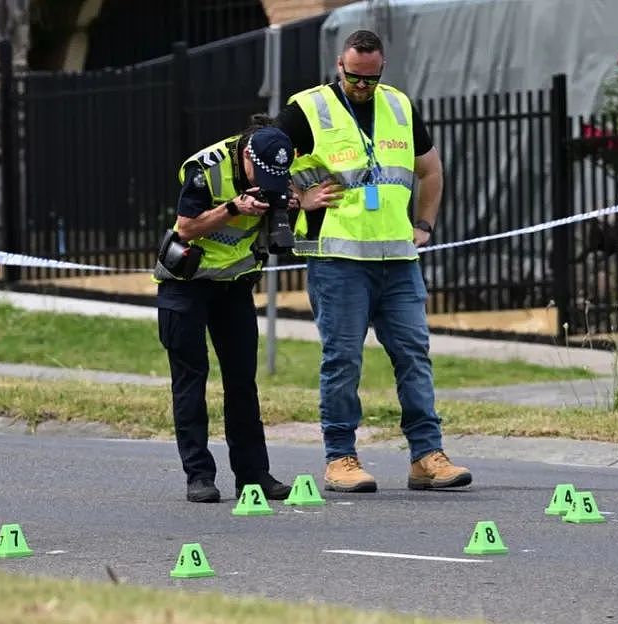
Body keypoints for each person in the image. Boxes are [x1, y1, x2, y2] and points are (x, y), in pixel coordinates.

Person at [275, 29, 472, 494]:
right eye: (353, 77)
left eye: (370, 78)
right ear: (339, 67)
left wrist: (424, 226)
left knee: (414, 355)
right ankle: (340, 457)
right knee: (343, 360)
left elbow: (430, 169)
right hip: (339, 259)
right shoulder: (307, 108)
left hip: (398, 259)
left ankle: (427, 456)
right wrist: (299, 199)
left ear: (381, 69)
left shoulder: (399, 106)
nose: (361, 86)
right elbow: (262, 160)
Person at [155, 115, 295, 503]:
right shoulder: (206, 169)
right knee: (191, 381)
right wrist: (233, 208)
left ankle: (254, 475)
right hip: (187, 285)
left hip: (234, 287)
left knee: (241, 382)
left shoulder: (278, 163)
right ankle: (199, 475)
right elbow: (185, 227)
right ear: (247, 155)